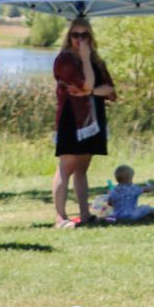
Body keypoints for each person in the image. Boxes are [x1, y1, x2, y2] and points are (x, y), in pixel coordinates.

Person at [51, 16, 115, 228]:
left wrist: (92, 91)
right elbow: (85, 85)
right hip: (72, 118)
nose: (80, 39)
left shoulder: (96, 60)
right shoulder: (65, 61)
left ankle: (84, 214)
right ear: (69, 37)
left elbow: (109, 90)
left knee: (82, 168)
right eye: (75, 35)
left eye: (84, 35)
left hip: (93, 120)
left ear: (90, 36)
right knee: (66, 166)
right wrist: (85, 61)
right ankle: (60, 218)